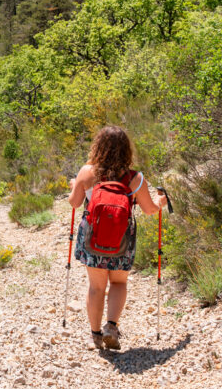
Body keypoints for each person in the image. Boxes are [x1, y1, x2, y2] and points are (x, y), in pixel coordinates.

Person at [68, 125, 167, 350]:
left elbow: (74, 203)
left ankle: (95, 335)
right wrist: (160, 203)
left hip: (92, 235)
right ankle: (111, 327)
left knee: (96, 287)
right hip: (123, 237)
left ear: (98, 146)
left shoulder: (87, 172)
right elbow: (150, 210)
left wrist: (75, 185)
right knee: (119, 282)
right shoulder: (135, 178)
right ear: (126, 150)